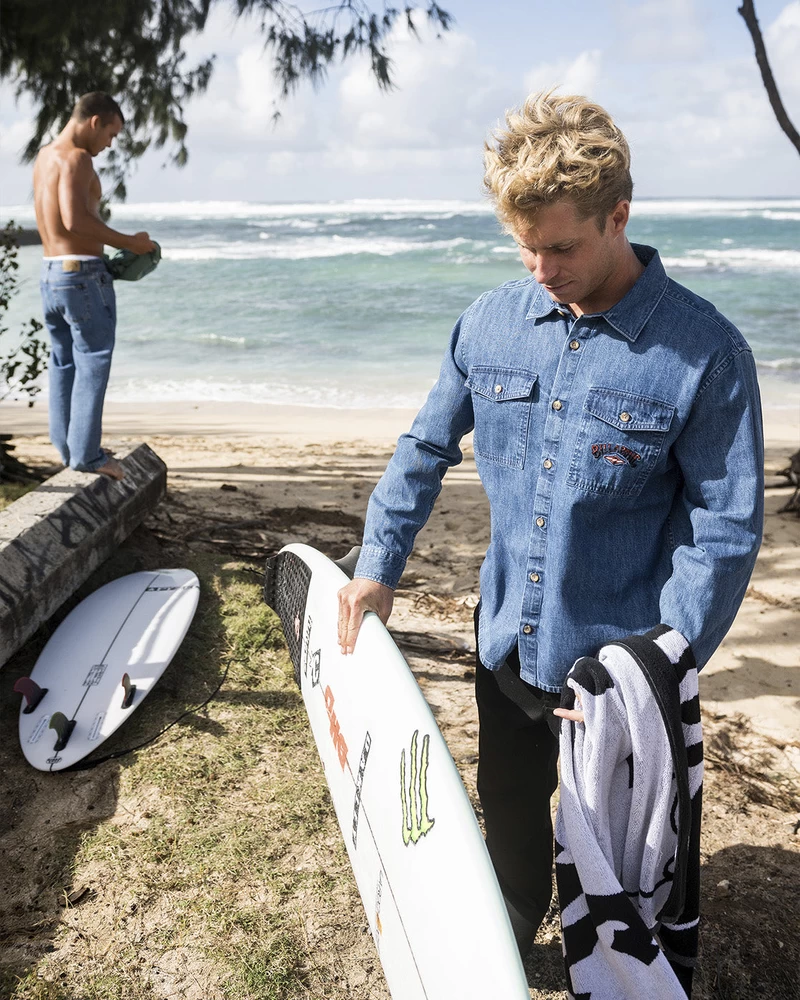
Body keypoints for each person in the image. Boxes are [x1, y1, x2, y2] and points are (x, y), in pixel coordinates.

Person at [337, 92, 764, 957]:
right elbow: (424, 446)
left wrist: (653, 669)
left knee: (617, 875)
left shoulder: (706, 355)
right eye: (525, 248)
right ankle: (504, 945)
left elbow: (723, 526)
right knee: (511, 837)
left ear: (619, 216)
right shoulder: (490, 322)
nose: (542, 269)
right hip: (503, 648)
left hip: (615, 676)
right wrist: (379, 563)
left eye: (562, 247)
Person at [33, 91, 156, 480]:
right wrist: (131, 244)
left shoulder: (43, 157)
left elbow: (58, 223)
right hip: (83, 276)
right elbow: (75, 222)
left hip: (51, 272)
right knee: (93, 361)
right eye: (111, 134)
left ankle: (70, 449)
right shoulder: (78, 157)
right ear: (95, 122)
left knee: (63, 362)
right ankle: (87, 456)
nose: (110, 144)